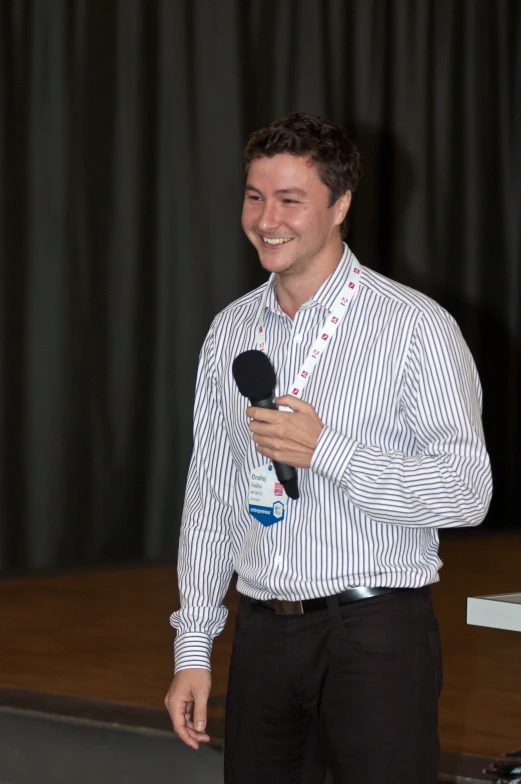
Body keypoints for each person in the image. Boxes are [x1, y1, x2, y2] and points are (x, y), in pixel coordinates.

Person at [165, 112, 492, 783]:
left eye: (290, 200)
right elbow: (212, 494)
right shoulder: (230, 330)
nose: (266, 219)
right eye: (254, 197)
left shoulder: (413, 328)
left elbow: (465, 492)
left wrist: (329, 452)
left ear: (340, 205)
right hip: (262, 637)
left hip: (373, 638)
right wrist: (192, 648)